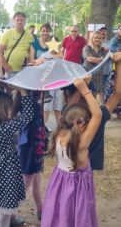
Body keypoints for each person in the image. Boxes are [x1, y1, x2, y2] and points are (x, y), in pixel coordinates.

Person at [41, 76, 102, 227]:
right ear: (81, 125)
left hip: (60, 182)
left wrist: (83, 86)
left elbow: (69, 109)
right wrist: (84, 90)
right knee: (77, 216)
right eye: (87, 124)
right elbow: (98, 115)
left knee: (61, 214)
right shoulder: (81, 143)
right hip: (77, 187)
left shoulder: (59, 131)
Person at [0, 89, 34, 227]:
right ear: (0, 109)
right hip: (6, 175)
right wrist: (24, 93)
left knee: (5, 213)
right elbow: (28, 116)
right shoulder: (4, 128)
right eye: (9, 107)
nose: (12, 110)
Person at [13, 91, 46, 221]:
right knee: (26, 183)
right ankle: (10, 214)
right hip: (30, 150)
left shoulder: (33, 104)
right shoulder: (30, 105)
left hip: (36, 149)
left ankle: (41, 210)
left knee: (36, 182)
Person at [82, 31, 107, 97]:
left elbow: (104, 61)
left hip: (99, 76)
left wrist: (94, 59)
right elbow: (89, 59)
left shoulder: (103, 50)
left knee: (98, 94)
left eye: (99, 38)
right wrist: (100, 59)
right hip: (88, 74)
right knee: (88, 94)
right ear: (92, 38)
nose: (97, 39)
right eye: (95, 38)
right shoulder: (87, 48)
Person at [106, 23, 121, 118]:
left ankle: (119, 111)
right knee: (113, 90)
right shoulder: (114, 41)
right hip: (115, 69)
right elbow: (113, 55)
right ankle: (110, 110)